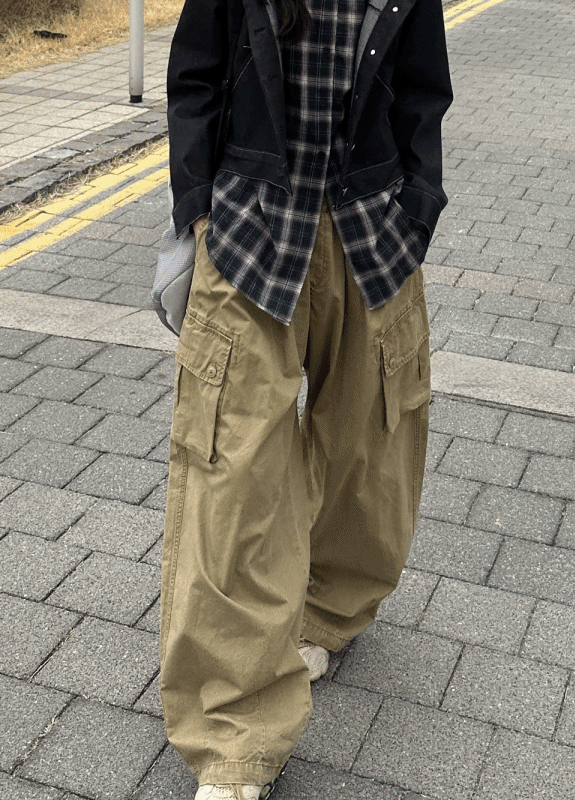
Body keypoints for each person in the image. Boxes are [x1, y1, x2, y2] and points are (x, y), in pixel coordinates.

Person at [159, 0, 452, 796]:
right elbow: (194, 78)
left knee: (372, 449)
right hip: (252, 233)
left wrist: (418, 210)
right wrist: (196, 212)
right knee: (235, 472)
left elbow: (423, 91)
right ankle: (234, 734)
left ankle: (329, 609)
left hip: (374, 233)